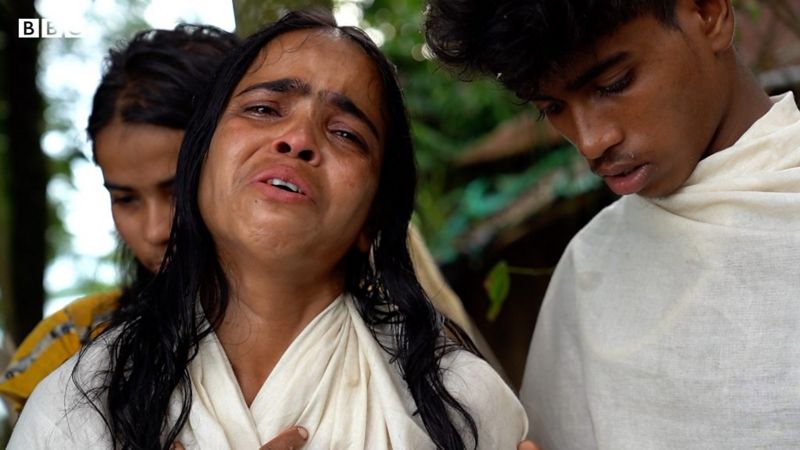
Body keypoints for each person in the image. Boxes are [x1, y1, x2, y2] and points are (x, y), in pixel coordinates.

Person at [9, 9, 528, 449]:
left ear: (374, 216)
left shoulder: (462, 404)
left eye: (346, 133)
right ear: (200, 166)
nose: (297, 138)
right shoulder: (77, 407)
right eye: (262, 109)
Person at [424, 0, 800, 448]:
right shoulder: (589, 271)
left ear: (708, 14)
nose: (590, 141)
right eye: (551, 108)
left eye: (613, 84)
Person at [0, 23, 239, 415]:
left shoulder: (361, 327)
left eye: (178, 190)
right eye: (126, 199)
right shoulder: (69, 348)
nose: (157, 230)